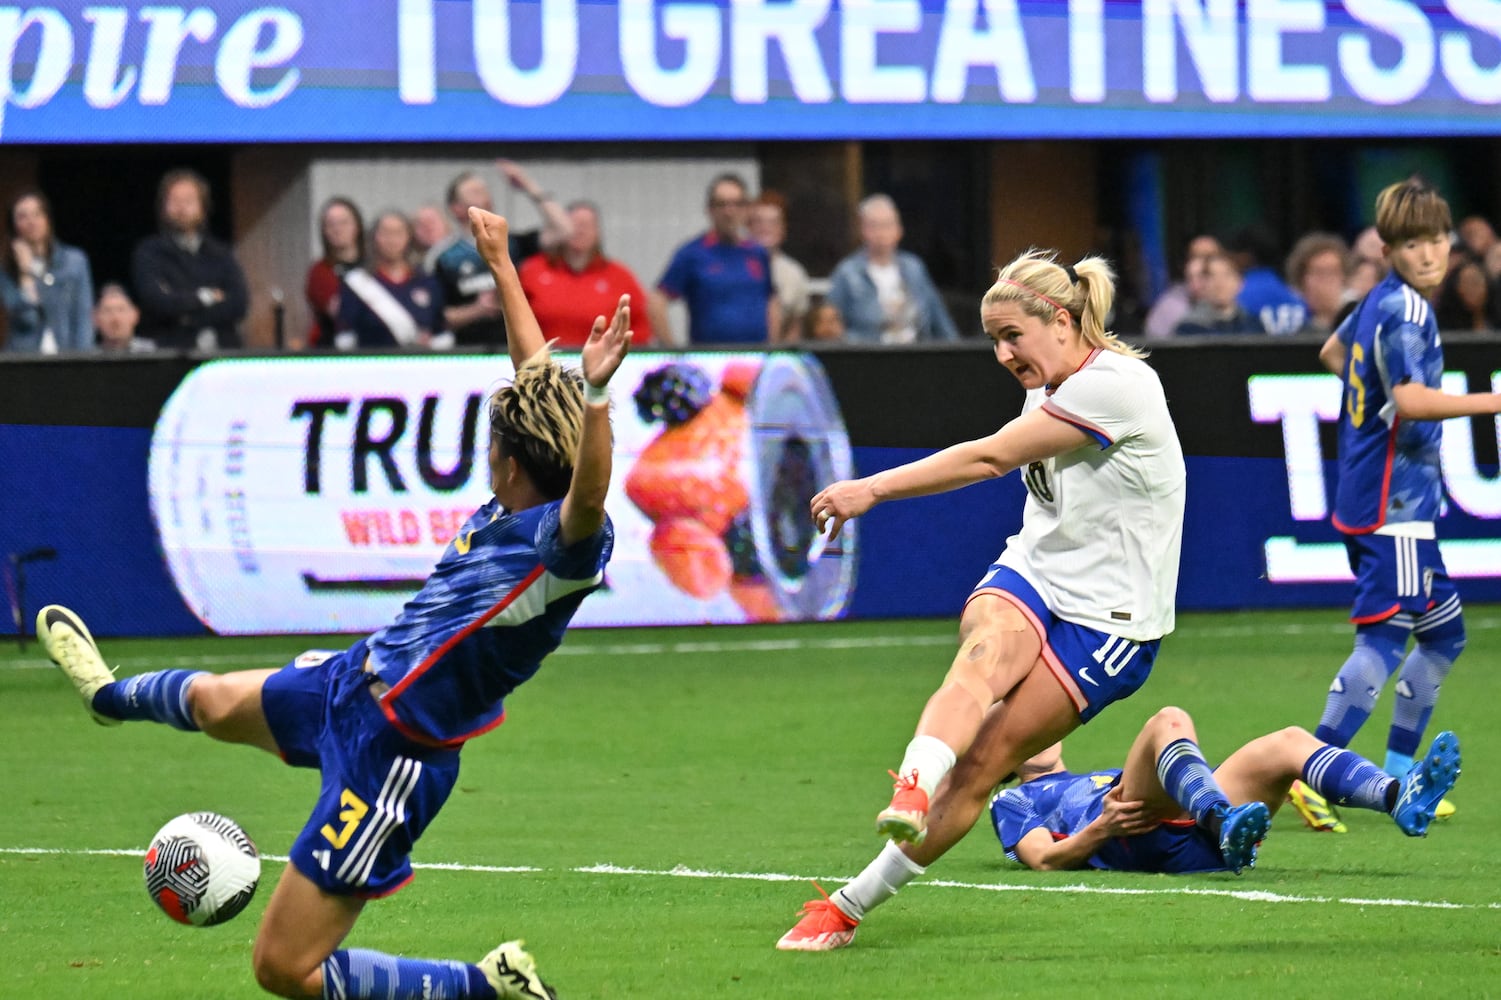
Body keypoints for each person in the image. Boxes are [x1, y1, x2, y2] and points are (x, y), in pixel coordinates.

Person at [37, 204, 633, 1000]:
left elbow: (590, 490)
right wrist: (499, 265)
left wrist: (594, 393)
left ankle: (484, 989)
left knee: (282, 968)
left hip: (395, 755)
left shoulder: (562, 546)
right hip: (354, 682)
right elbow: (535, 388)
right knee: (215, 702)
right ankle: (111, 697)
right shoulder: (517, 499)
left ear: (509, 456)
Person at [777, 249, 1185, 951]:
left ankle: (847, 907)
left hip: (1110, 620)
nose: (1001, 353)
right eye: (992, 339)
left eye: (1010, 336)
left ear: (1059, 320)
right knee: (980, 655)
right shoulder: (1048, 382)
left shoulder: (1117, 386)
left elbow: (989, 457)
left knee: (983, 764)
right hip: (1038, 569)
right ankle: (911, 787)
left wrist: (871, 488)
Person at [1286, 178, 1501, 836]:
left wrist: (1366, 409)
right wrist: (1489, 402)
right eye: (1412, 244)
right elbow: (1408, 401)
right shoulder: (1406, 310)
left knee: (1442, 634)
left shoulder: (1378, 300)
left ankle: (1401, 770)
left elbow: (1332, 352)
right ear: (1387, 249)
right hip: (1392, 501)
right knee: (1380, 639)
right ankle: (1310, 770)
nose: (1428, 254)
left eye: (1436, 240)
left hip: (1379, 493)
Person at [990, 706, 1461, 874]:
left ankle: (1398, 797)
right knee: (1168, 723)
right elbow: (1041, 860)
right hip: (1133, 831)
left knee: (1288, 743)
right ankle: (1221, 817)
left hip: (1196, 841)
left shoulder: (1081, 778)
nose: (1031, 723)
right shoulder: (1012, 800)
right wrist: (1100, 829)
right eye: (1009, 725)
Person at [433, 160, 571, 349]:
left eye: (485, 191)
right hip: (468, 352)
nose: (485, 198)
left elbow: (564, 230)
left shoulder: (512, 243)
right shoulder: (446, 258)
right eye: (475, 193)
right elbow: (439, 317)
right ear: (456, 208)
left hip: (517, 347)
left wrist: (529, 186)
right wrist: (478, 310)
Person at [649, 172, 777, 347]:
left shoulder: (757, 253)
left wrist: (775, 347)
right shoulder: (692, 253)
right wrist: (673, 353)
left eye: (736, 204)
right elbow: (657, 301)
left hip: (756, 359)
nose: (729, 212)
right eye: (721, 204)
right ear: (709, 209)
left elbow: (771, 300)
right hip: (710, 361)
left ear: (746, 209)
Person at [131, 168, 249, 350]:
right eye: (175, 201)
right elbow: (156, 301)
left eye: (188, 201)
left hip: (222, 352)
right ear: (163, 207)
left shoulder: (220, 253)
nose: (181, 208)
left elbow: (238, 303)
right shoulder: (150, 252)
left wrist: (187, 318)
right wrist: (206, 297)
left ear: (203, 207)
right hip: (170, 351)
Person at [825, 194, 960, 344]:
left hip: (916, 354)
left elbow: (938, 317)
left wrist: (956, 351)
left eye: (887, 225)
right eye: (874, 226)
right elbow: (829, 326)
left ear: (899, 230)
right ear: (862, 230)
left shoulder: (914, 268)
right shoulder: (847, 273)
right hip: (869, 357)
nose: (881, 233)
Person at [518, 199, 654, 347]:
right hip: (542, 361)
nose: (580, 230)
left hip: (602, 362)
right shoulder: (533, 270)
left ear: (598, 232)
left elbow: (641, 328)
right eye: (574, 224)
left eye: (587, 225)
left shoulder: (620, 276)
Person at [335, 210, 448, 351]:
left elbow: (441, 333)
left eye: (398, 233)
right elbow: (346, 337)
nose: (392, 240)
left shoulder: (427, 283)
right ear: (374, 238)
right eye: (385, 233)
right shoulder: (356, 283)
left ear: (409, 237)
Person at [2, 190, 94, 353]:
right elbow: (27, 319)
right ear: (14, 225)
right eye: (22, 216)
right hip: (25, 358)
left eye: (37, 214)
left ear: (47, 219)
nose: (31, 222)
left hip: (67, 353)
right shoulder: (6, 271)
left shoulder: (74, 261)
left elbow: (83, 318)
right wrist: (26, 274)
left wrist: (84, 363)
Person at [749, 191, 811, 343]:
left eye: (773, 222)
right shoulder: (735, 265)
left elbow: (795, 326)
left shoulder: (794, 273)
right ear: (749, 226)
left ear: (783, 229)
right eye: (759, 222)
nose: (765, 228)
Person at [304, 197, 365, 349]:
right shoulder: (320, 271)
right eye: (330, 225)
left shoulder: (372, 267)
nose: (337, 230)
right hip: (332, 349)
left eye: (344, 223)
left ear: (356, 226)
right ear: (324, 231)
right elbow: (340, 312)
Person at [1142, 233, 1220, 340]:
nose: (1203, 265)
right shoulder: (1170, 305)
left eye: (1211, 258)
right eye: (1197, 257)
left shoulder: (1233, 299)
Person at [1172, 252, 1264, 335]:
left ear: (1239, 282)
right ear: (1204, 283)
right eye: (1213, 276)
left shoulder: (1254, 325)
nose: (1220, 283)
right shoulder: (1189, 328)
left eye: (1227, 275)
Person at [1285, 232, 1351, 337]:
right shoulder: (1291, 317)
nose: (1327, 280)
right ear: (1303, 279)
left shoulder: (1354, 317)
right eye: (1319, 272)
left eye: (1333, 272)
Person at [1434, 254, 1500, 333]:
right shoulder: (1442, 328)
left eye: (1475, 282)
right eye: (1466, 283)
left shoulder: (1496, 322)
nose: (1472, 289)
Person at [93, 283, 155, 353]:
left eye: (121, 310)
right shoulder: (88, 356)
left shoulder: (152, 353)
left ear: (135, 315)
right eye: (107, 311)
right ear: (95, 318)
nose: (115, 318)